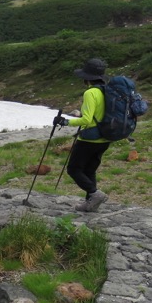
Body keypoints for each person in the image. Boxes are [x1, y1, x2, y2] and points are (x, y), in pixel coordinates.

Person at [54, 58, 110, 213]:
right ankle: (90, 203)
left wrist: (65, 122)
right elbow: (98, 114)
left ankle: (94, 194)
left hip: (89, 138)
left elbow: (87, 120)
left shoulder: (91, 92)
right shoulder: (106, 90)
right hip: (105, 137)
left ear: (87, 77)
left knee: (74, 169)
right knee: (90, 170)